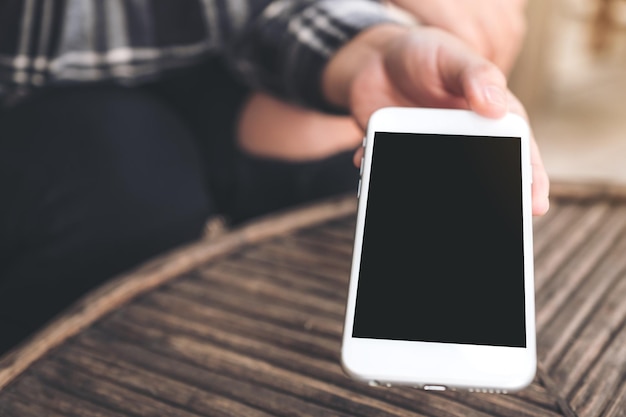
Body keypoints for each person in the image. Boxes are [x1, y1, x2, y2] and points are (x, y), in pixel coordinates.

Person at [0, 0, 550, 354]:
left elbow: (255, 12)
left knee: (351, 150)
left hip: (176, 57)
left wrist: (375, 50)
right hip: (27, 93)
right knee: (129, 185)